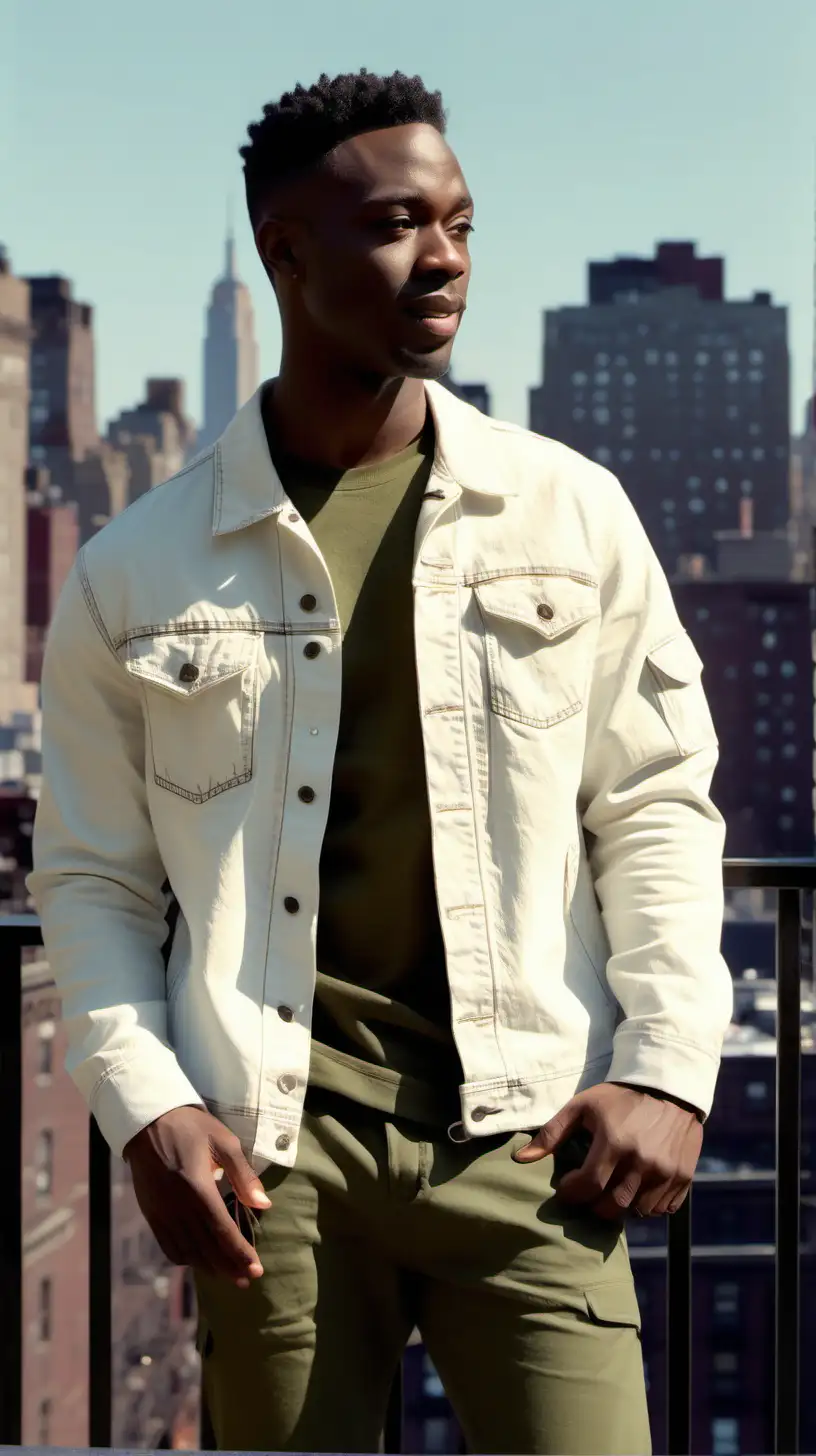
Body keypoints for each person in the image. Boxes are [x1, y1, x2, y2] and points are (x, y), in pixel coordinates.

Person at [29, 69, 732, 1456]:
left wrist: (668, 1068)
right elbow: (95, 877)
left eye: (462, 222)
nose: (449, 257)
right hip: (272, 1161)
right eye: (401, 222)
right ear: (286, 254)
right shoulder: (137, 568)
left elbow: (653, 804)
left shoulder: (570, 513)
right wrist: (147, 1105)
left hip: (536, 1144)